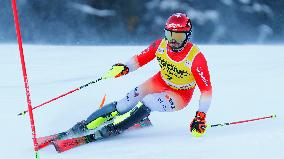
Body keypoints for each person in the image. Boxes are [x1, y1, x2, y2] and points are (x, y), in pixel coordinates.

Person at [44, 13, 212, 146]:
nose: (173, 41)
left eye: (179, 37)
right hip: (159, 81)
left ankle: (114, 129)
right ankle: (85, 125)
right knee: (125, 102)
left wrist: (200, 116)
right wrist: (124, 67)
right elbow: (139, 60)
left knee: (149, 102)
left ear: (187, 36)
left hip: (180, 95)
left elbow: (206, 91)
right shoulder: (160, 45)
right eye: (170, 35)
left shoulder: (195, 58)